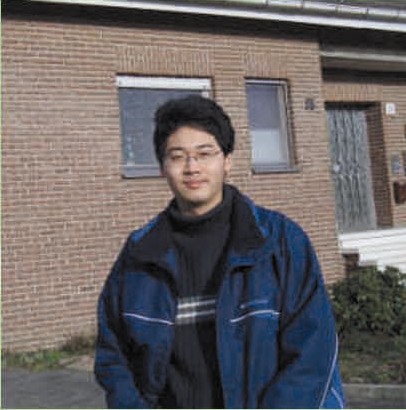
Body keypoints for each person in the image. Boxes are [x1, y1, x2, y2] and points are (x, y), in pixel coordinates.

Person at [94, 95, 345, 409]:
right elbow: (114, 356)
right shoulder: (139, 256)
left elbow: (313, 353)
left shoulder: (280, 242)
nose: (192, 168)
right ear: (162, 167)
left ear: (227, 161)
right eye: (177, 156)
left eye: (205, 153)